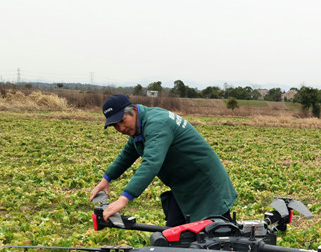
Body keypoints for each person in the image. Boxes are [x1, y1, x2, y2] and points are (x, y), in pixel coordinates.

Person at [89, 94, 237, 226]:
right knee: (174, 237)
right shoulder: (140, 127)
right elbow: (127, 154)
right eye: (115, 125)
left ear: (133, 111)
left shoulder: (157, 124)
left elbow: (151, 163)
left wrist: (124, 199)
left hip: (206, 186)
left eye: (122, 121)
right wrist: (106, 179)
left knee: (215, 239)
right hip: (184, 187)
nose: (121, 128)